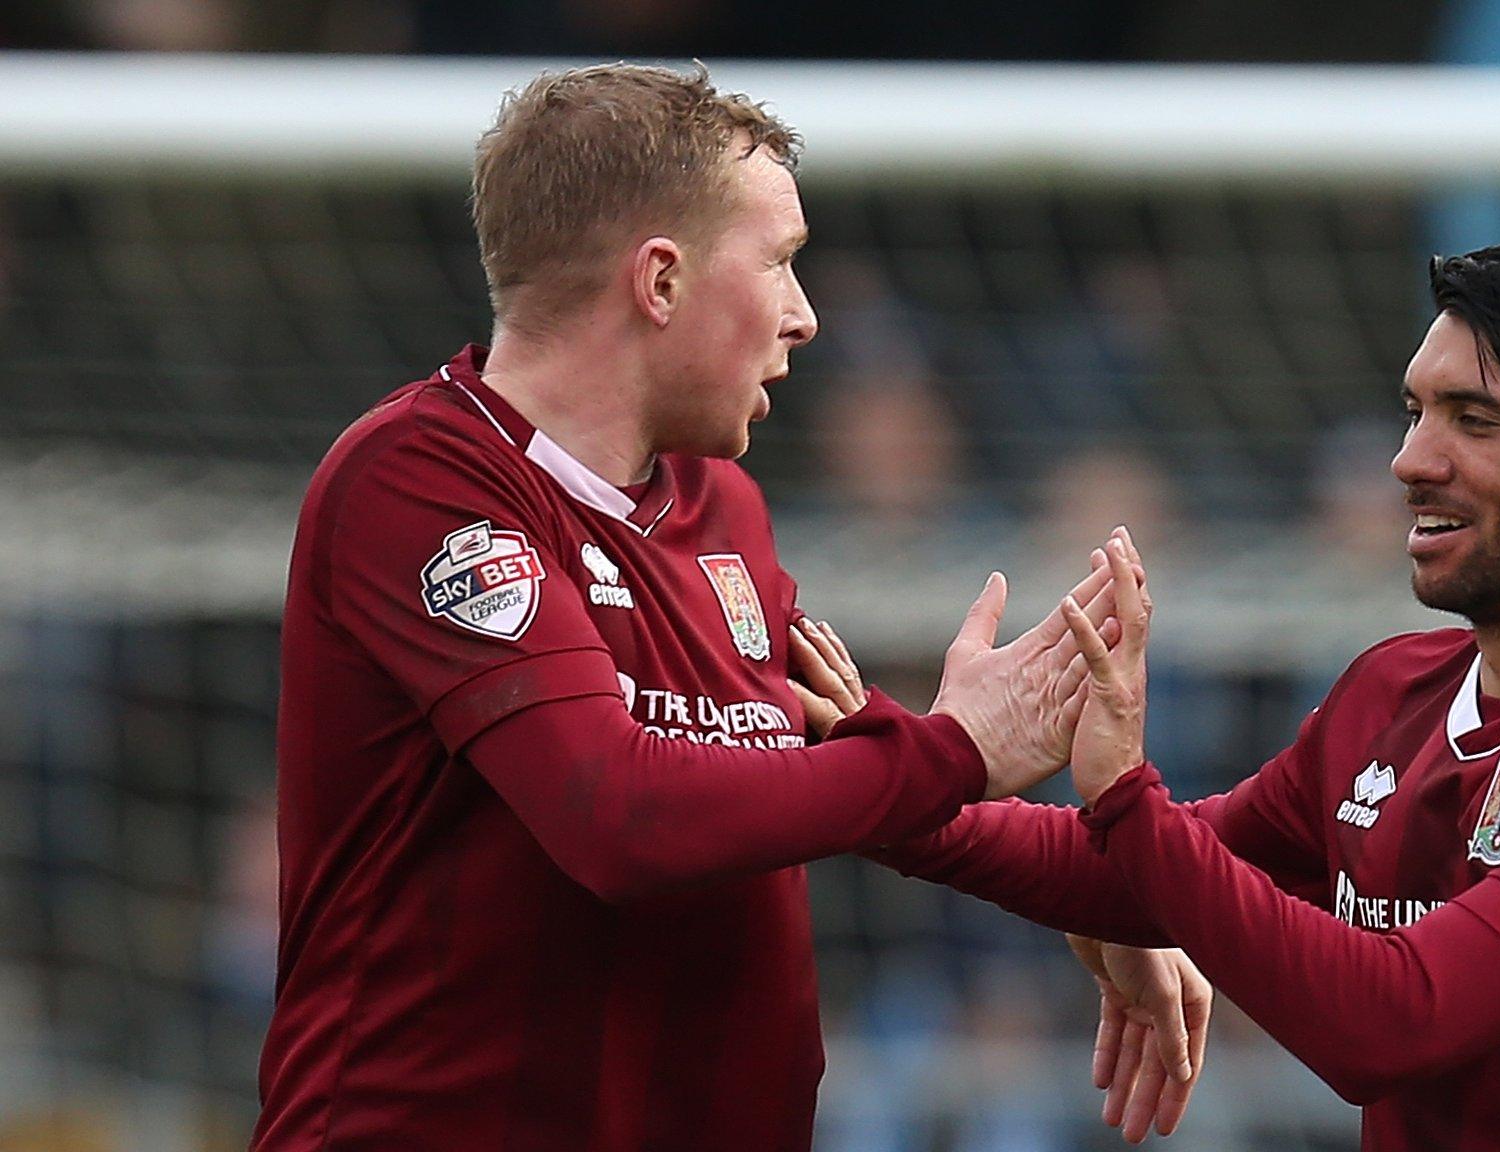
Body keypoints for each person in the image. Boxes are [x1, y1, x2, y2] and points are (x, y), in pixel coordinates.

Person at [253, 62, 1178, 1152]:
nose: (805, 317)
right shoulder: (420, 482)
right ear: (660, 281)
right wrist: (954, 751)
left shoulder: (717, 504)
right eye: (781, 263)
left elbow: (836, 781)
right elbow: (617, 816)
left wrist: (1120, 887)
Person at [874, 232, 1500, 1150]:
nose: (1412, 461)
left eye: (1475, 420)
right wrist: (900, 775)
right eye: (1416, 412)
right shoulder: (1391, 693)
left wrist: (1127, 801)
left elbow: (1390, 1022)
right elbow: (1142, 869)